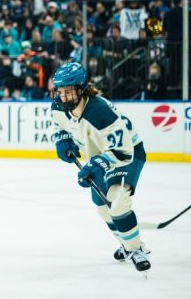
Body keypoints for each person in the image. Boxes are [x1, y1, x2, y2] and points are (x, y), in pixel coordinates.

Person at [50, 62, 150, 271]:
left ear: (81, 89)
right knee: (104, 210)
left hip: (127, 154)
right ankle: (127, 242)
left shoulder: (98, 111)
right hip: (101, 156)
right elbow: (58, 124)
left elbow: (123, 150)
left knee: (117, 201)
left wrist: (97, 165)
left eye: (68, 92)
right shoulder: (59, 105)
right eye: (60, 92)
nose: (63, 97)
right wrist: (62, 139)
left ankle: (136, 249)